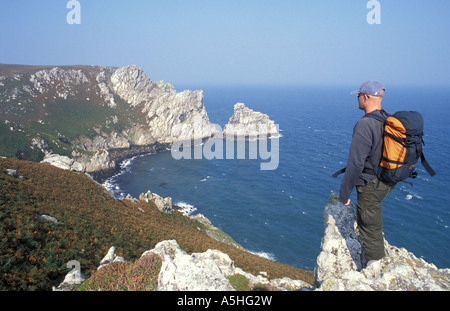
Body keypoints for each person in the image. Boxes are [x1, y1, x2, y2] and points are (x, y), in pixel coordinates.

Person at [338, 80, 395, 266]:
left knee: (370, 228)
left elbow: (355, 163)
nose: (357, 98)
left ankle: (376, 270)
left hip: (371, 183)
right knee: (373, 221)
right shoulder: (387, 117)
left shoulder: (365, 124)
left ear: (366, 97)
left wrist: (344, 193)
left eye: (359, 95)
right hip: (387, 179)